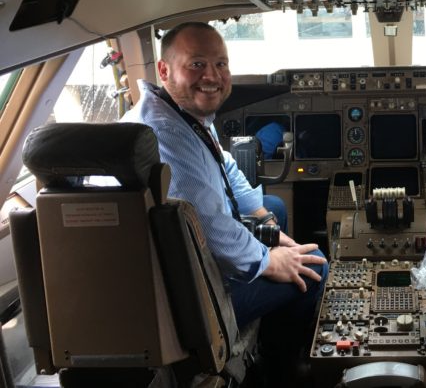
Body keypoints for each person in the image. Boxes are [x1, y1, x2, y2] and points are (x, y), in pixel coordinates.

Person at [122, 22, 327, 369]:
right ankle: (278, 368)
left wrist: (270, 226)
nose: (213, 76)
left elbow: (226, 165)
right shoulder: (166, 135)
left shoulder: (180, 114)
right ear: (164, 69)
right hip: (184, 299)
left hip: (175, 260)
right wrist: (269, 260)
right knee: (314, 267)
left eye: (221, 64)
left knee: (273, 207)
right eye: (197, 63)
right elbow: (211, 228)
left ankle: (268, 328)